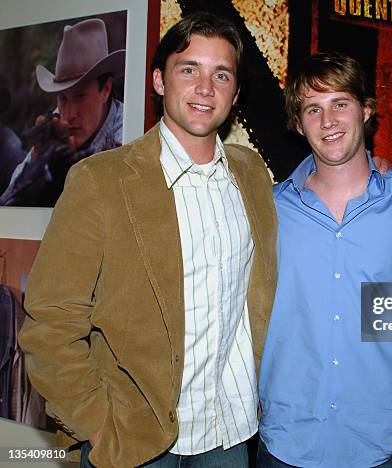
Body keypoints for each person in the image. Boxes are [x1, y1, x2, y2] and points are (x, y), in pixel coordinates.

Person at [18, 12, 277, 467]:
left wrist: (377, 177)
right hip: (134, 440)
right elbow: (51, 320)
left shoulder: (252, 175)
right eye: (189, 69)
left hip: (231, 435)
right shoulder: (101, 180)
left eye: (221, 74)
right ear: (159, 80)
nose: (205, 87)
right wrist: (96, 424)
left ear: (235, 95)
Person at [257, 52, 392, 468]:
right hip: (286, 445)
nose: (327, 120)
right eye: (313, 109)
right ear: (298, 124)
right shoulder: (268, 209)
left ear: (366, 111)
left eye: (340, 104)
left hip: (387, 448)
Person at [0, 18, 124, 207]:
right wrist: (37, 157)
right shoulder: (55, 123)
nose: (69, 113)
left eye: (80, 97)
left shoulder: (128, 129)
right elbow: (6, 202)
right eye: (63, 99)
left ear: (105, 90)